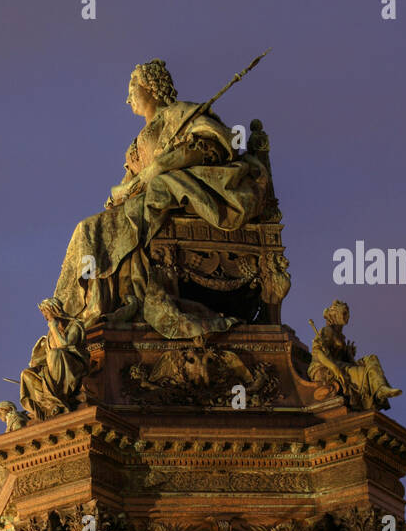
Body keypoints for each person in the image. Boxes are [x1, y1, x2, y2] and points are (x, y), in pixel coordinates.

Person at [54, 59, 268, 335]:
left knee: (100, 226)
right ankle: (71, 313)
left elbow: (213, 145)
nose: (127, 97)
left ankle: (91, 311)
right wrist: (120, 192)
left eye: (132, 88)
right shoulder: (140, 139)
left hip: (176, 196)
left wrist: (161, 166)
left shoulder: (181, 114)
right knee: (87, 228)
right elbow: (131, 181)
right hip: (140, 201)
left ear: (152, 87)